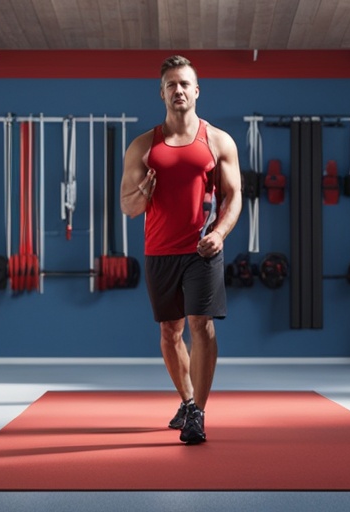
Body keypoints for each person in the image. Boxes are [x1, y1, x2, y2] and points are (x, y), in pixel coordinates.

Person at [120, 55, 242, 445]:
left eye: (185, 84)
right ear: (162, 93)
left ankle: (199, 415)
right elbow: (128, 207)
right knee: (169, 332)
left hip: (202, 250)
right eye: (171, 84)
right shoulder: (143, 145)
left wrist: (220, 234)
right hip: (158, 251)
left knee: (200, 326)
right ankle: (187, 401)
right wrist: (142, 194)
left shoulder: (218, 141)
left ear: (196, 91)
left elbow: (235, 197)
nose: (178, 90)